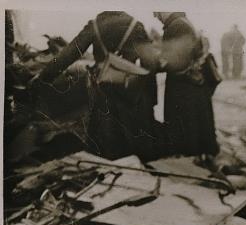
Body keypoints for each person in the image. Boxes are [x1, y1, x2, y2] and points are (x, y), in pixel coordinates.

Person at [34, 11, 161, 161]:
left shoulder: (94, 26)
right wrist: (152, 100)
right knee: (134, 145)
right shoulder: (135, 25)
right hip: (130, 93)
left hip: (104, 92)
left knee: (105, 147)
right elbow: (150, 65)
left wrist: (42, 78)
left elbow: (68, 55)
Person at [155, 11, 219, 158]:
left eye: (157, 12)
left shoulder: (175, 26)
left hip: (184, 86)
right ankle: (201, 155)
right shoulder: (183, 23)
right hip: (192, 83)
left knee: (186, 125)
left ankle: (191, 157)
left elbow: (174, 60)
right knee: (196, 123)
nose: (155, 16)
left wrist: (153, 65)